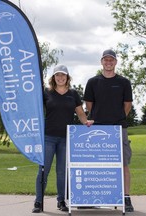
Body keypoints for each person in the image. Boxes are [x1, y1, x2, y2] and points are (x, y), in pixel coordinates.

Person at [32, 64, 94, 213]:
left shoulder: (73, 94)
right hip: (48, 137)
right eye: (57, 75)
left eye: (63, 75)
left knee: (62, 172)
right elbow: (36, 109)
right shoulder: (46, 92)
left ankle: (61, 200)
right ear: (53, 77)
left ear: (67, 77)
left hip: (66, 139)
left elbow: (79, 112)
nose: (60, 78)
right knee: (43, 170)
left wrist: (86, 121)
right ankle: (38, 201)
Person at [83, 49, 134, 212]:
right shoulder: (92, 82)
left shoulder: (124, 82)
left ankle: (126, 198)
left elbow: (127, 105)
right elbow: (89, 105)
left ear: (116, 62)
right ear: (101, 62)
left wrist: (117, 118)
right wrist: (100, 118)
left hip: (119, 128)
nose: (108, 62)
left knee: (123, 164)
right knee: (95, 164)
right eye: (106, 60)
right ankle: (92, 198)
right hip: (97, 127)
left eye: (111, 60)